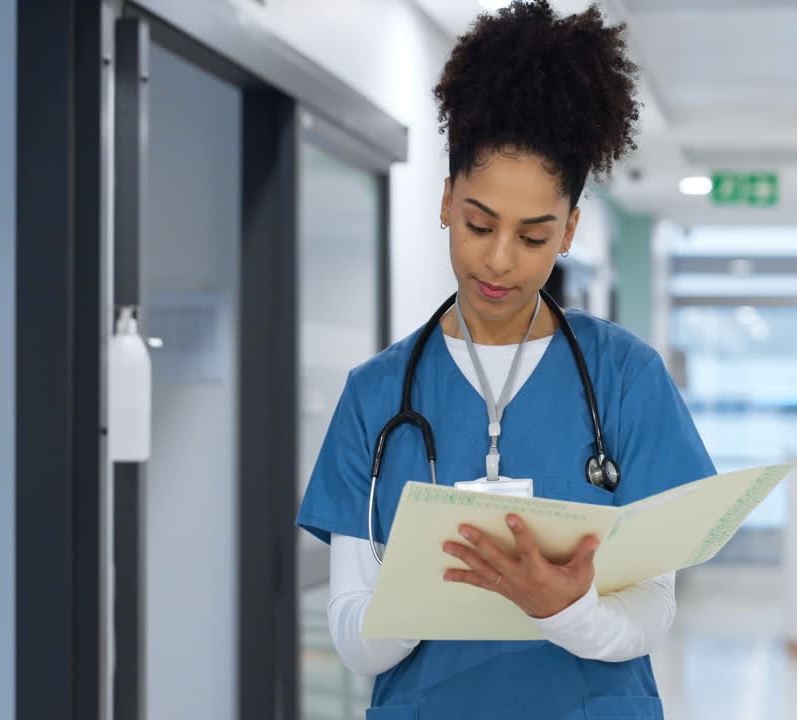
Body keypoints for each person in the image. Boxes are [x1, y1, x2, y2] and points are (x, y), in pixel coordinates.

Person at [296, 2, 715, 717]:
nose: (498, 260)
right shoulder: (376, 395)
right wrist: (423, 591)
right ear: (446, 201)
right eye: (479, 223)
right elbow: (352, 634)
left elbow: (653, 607)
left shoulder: (626, 378)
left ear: (571, 231)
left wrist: (565, 610)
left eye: (533, 236)